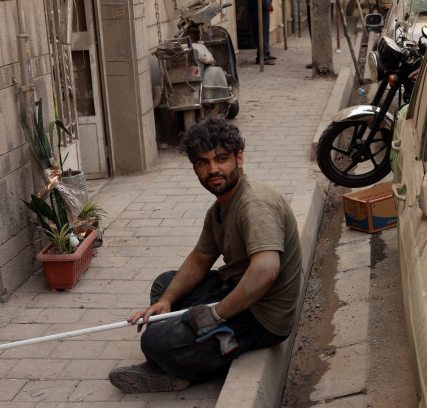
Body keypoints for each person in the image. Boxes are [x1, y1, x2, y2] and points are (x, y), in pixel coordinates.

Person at [108, 118, 303, 394]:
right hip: (237, 287)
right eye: (202, 162)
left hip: (264, 315)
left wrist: (216, 314)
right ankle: (193, 342)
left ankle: (186, 367)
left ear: (239, 158)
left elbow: (265, 270)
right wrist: (166, 302)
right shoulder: (220, 208)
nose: (213, 169)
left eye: (221, 159)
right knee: (165, 285)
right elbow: (200, 260)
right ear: (195, 168)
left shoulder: (255, 204)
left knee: (154, 341)